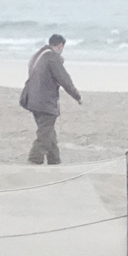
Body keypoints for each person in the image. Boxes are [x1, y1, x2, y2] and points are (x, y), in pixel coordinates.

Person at [20, 34, 82, 165]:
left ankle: (55, 161)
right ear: (60, 45)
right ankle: (33, 160)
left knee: (49, 132)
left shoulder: (39, 54)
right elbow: (65, 80)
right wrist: (77, 96)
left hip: (32, 100)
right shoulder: (52, 58)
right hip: (45, 102)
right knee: (44, 134)